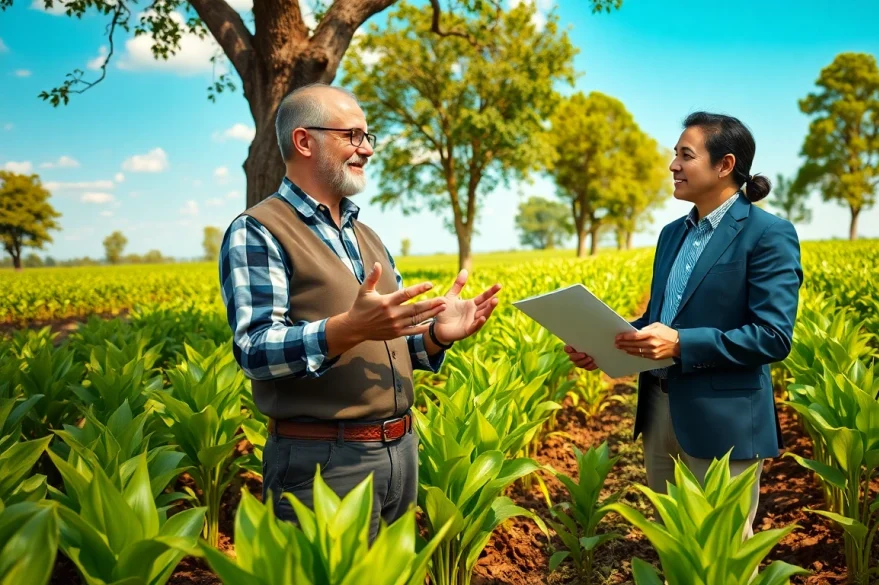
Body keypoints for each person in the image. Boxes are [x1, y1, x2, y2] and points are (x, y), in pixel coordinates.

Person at [218, 83, 500, 539]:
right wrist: (345, 329)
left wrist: (436, 336)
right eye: (353, 136)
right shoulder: (258, 230)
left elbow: (388, 339)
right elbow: (254, 349)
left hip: (401, 454)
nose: (366, 149)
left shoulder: (365, 234)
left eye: (369, 137)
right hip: (322, 465)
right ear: (304, 141)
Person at [565, 111, 803, 539]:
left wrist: (680, 346)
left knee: (724, 553)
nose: (673, 165)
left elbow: (773, 336)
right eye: (674, 155)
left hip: (723, 422)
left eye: (685, 155)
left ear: (725, 165)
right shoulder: (672, 234)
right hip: (659, 411)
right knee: (674, 545)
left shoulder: (768, 234)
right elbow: (661, 321)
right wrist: (602, 343)